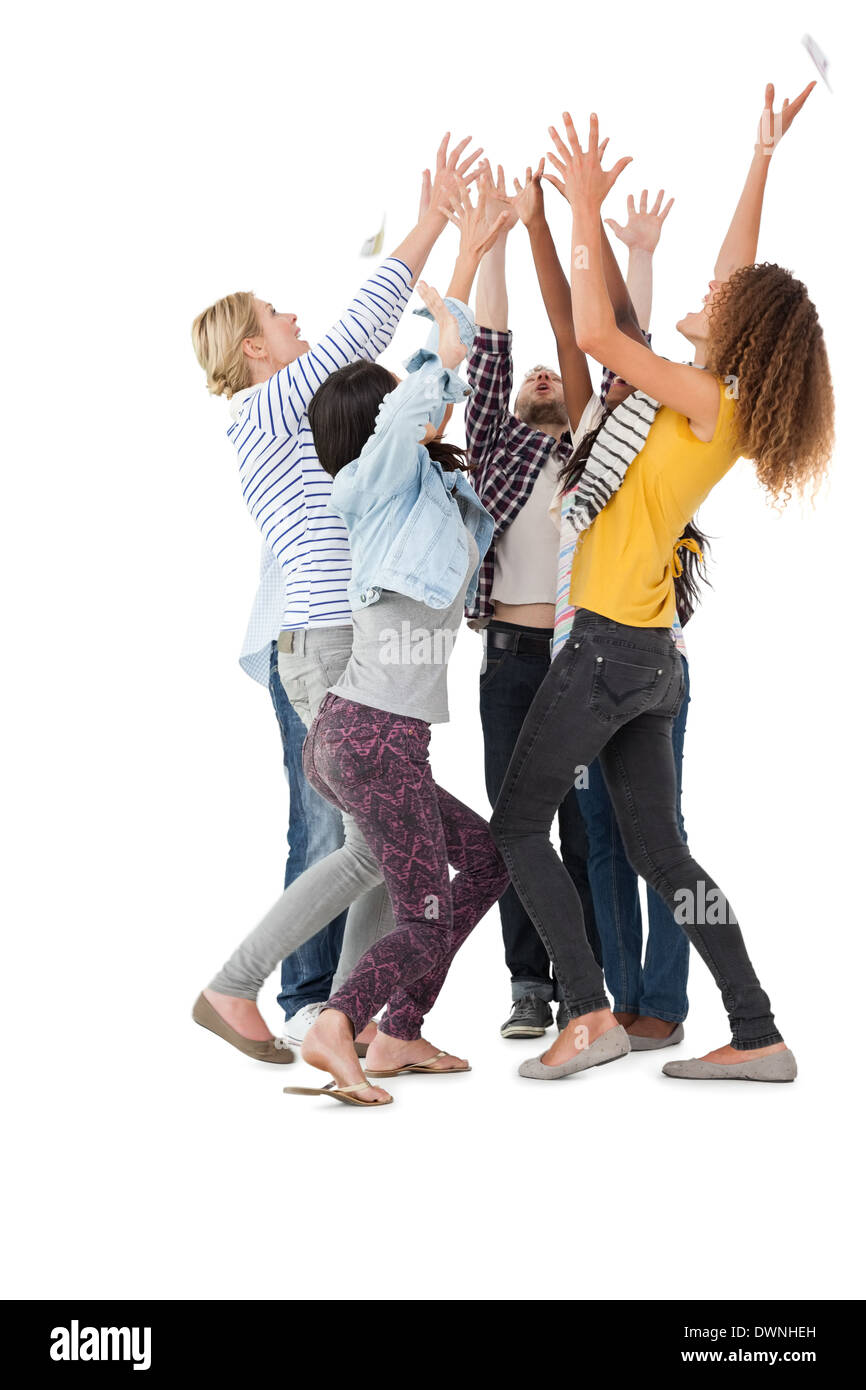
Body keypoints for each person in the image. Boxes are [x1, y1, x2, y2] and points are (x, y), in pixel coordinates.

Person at [491, 84, 832, 1083]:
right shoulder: (712, 395)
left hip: (602, 647)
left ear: (732, 337)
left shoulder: (700, 400)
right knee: (662, 858)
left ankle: (587, 1011)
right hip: (644, 660)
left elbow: (595, 335)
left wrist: (588, 210)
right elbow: (740, 272)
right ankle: (756, 1030)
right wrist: (760, 155)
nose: (709, 286)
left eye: (722, 300)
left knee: (517, 821)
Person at [193, 183, 508, 1084]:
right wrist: (435, 220)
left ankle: (359, 1020)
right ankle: (272, 993)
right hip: (332, 650)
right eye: (274, 314)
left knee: (377, 848)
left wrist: (468, 262)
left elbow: (412, 398)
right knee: (362, 845)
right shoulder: (263, 409)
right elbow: (373, 351)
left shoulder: (309, 425)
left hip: (343, 645)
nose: (293, 316)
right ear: (253, 347)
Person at [291, 274, 510, 1106]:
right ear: (375, 425)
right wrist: (437, 350)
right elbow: (426, 391)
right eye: (397, 411)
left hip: (375, 737)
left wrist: (467, 269)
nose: (422, 416)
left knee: (484, 858)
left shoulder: (425, 494)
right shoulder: (369, 486)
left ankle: (400, 1034)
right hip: (373, 737)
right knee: (421, 914)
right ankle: (338, 1023)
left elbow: (450, 379)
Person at [549, 183, 699, 1050]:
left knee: (658, 837)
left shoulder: (660, 435)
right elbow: (602, 344)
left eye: (625, 384)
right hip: (580, 660)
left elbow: (626, 344)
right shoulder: (586, 445)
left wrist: (634, 254)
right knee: (599, 835)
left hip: (642, 659)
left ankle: (666, 1006)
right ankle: (620, 1002)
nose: (613, 385)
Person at [463, 161, 600, 1040]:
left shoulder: (591, 454)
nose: (544, 373)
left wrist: (565, 227)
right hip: (513, 662)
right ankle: (527, 983)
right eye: (533, 376)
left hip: (582, 662)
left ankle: (589, 980)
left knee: (588, 826)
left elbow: (583, 344)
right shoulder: (499, 452)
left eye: (558, 374)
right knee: (517, 826)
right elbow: (491, 347)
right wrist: (503, 237)